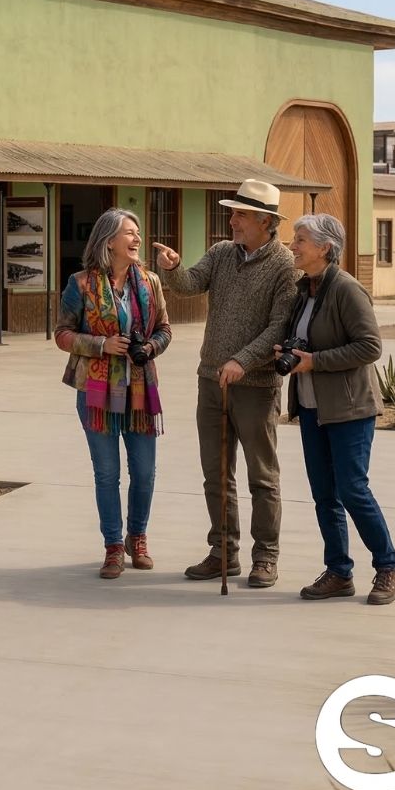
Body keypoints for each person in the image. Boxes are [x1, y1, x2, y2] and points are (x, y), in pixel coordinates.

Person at [155, 179, 298, 588]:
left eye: (239, 214)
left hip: (256, 387)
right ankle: (223, 552)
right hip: (210, 382)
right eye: (232, 212)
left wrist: (243, 360)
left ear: (265, 221)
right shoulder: (220, 253)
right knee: (216, 475)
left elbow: (279, 326)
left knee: (262, 477)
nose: (231, 219)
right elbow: (189, 286)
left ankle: (266, 556)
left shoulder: (285, 266)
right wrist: (173, 268)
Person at [280, 213, 395, 605]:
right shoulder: (305, 290)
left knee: (352, 489)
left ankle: (388, 567)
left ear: (325, 248)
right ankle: (338, 572)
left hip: (350, 408)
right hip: (313, 407)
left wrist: (315, 361)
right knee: (323, 493)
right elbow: (303, 337)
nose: (293, 245)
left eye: (300, 239)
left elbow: (370, 346)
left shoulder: (348, 290)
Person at [55, 208, 171, 579]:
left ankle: (138, 537)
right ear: (109, 241)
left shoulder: (151, 282)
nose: (137, 239)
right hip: (96, 391)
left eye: (137, 233)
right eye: (130, 233)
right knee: (107, 474)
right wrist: (101, 344)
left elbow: (164, 329)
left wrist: (150, 347)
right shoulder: (81, 284)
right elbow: (62, 334)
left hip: (140, 388)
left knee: (145, 472)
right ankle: (113, 546)